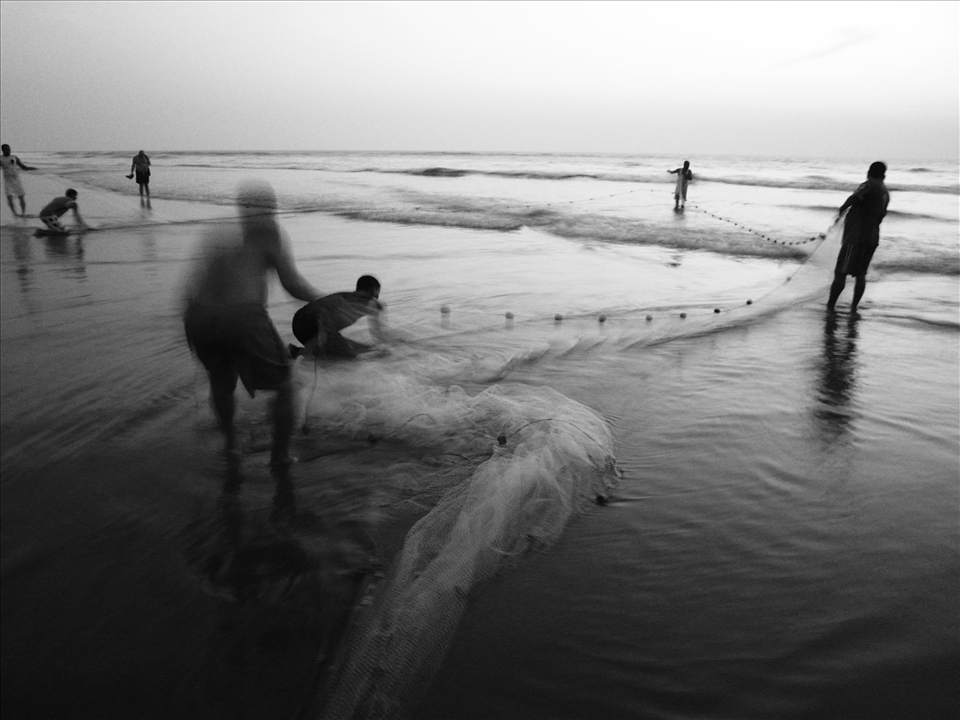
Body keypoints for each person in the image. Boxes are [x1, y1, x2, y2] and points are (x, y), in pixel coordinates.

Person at [182, 179, 323, 519]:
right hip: (241, 317)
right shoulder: (268, 232)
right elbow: (291, 284)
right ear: (269, 208)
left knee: (221, 380)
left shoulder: (221, 232)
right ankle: (279, 457)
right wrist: (325, 299)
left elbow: (197, 281)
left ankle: (231, 445)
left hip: (197, 316)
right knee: (287, 387)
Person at [827, 161, 890, 312]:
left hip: (855, 238)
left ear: (869, 172)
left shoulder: (868, 185)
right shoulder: (885, 193)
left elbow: (855, 198)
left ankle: (830, 307)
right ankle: (853, 308)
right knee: (861, 274)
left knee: (840, 272)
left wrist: (842, 209)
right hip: (872, 239)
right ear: (884, 175)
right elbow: (881, 216)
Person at [289, 275, 385, 360]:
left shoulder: (344, 297)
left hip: (299, 322)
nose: (377, 296)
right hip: (310, 325)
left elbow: (377, 334)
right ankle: (295, 353)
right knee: (353, 357)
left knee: (365, 348)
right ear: (374, 290)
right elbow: (377, 333)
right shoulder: (367, 304)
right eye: (377, 292)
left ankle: (296, 352)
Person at [1, 144, 36, 217]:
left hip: (16, 179)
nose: (8, 150)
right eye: (6, 149)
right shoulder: (1, 159)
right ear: (3, 150)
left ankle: (23, 213)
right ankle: (14, 213)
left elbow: (23, 167)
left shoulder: (14, 157)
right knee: (9, 197)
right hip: (7, 180)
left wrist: (32, 168)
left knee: (21, 196)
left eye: (9, 149)